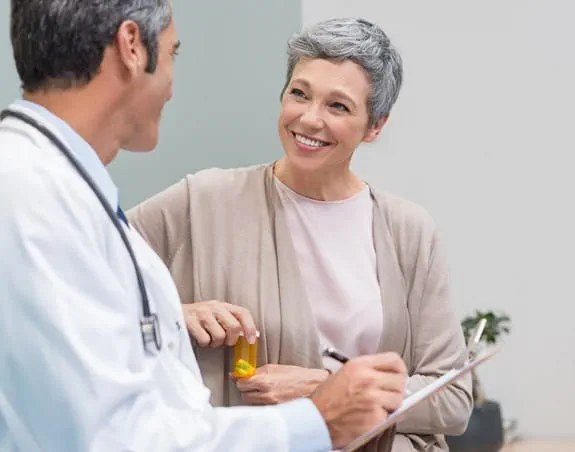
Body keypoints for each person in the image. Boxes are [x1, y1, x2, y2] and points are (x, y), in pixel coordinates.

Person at [0, 3, 409, 451]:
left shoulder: (60, 191)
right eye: (173, 52)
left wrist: (173, 317)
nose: (173, 86)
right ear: (131, 46)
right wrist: (316, 421)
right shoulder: (31, 196)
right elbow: (115, 438)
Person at [128, 17, 473, 451]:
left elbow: (453, 398)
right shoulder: (202, 200)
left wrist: (321, 387)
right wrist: (175, 310)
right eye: (300, 94)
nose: (310, 119)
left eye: (339, 106)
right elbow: (78, 281)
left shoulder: (408, 231)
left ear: (375, 126)